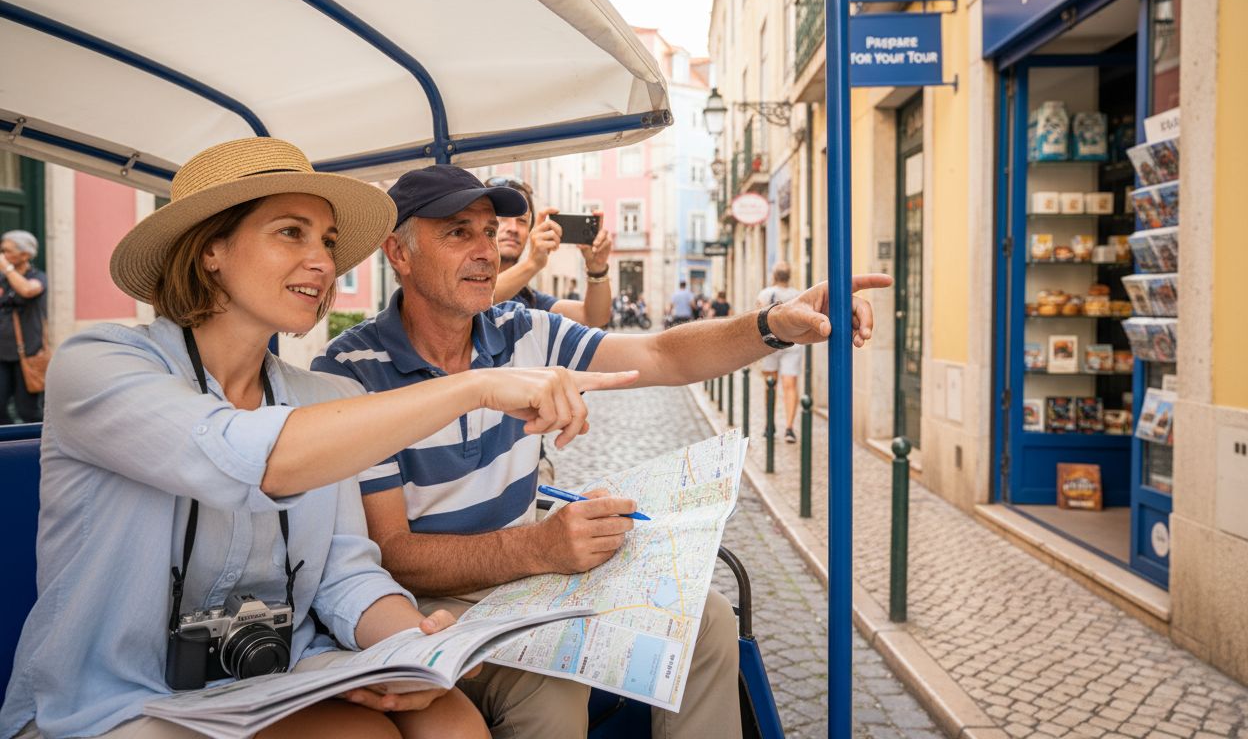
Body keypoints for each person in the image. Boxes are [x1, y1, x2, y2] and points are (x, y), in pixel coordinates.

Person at [0, 139, 635, 739]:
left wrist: (417, 645)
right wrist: (476, 387)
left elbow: (343, 571)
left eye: (328, 241)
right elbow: (250, 456)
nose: (324, 262)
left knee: (449, 720)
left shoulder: (324, 398)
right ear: (208, 249)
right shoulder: (99, 364)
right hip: (116, 696)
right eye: (290, 233)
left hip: (276, 674)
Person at [313, 164, 891, 739]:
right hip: (423, 602)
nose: (486, 251)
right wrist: (539, 547)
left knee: (705, 618)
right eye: (458, 232)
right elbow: (392, 554)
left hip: (528, 580)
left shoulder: (523, 331)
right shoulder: (351, 372)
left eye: (489, 232)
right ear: (400, 253)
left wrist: (775, 324)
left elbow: (663, 355)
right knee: (553, 691)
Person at [485, 176, 611, 327]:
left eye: (522, 220)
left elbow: (593, 318)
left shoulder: (530, 299)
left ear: (530, 231)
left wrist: (597, 268)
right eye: (503, 217)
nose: (513, 228)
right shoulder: (461, 279)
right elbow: (481, 298)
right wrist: (532, 263)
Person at [0, 230, 47, 424]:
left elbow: (28, 290)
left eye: (6, 251)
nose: (2, 255)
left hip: (27, 355)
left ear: (25, 255)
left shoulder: (37, 276)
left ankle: (32, 448)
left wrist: (7, 268)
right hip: (1, 355)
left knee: (27, 411)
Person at [758, 262, 803, 443]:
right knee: (789, 385)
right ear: (789, 276)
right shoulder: (798, 295)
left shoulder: (765, 294)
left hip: (770, 344)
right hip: (793, 344)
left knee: (770, 384)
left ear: (774, 276)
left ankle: (769, 425)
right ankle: (789, 428)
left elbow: (756, 319)